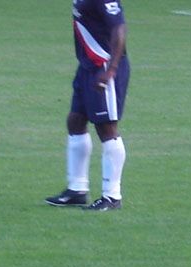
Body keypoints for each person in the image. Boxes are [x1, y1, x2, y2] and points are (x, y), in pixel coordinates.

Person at [45, 0, 130, 211]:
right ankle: (77, 190)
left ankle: (112, 196)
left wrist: (111, 70)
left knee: (106, 127)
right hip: (87, 66)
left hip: (104, 65)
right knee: (75, 121)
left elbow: (119, 27)